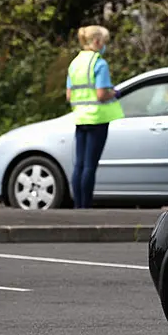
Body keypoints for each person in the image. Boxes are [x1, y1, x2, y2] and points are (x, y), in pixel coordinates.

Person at [66, 25, 124, 209]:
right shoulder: (99, 63)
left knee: (79, 165)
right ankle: (87, 207)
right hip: (97, 119)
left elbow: (69, 95)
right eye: (104, 41)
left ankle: (78, 206)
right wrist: (114, 93)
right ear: (97, 41)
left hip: (80, 118)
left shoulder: (75, 63)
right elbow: (101, 94)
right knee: (90, 165)